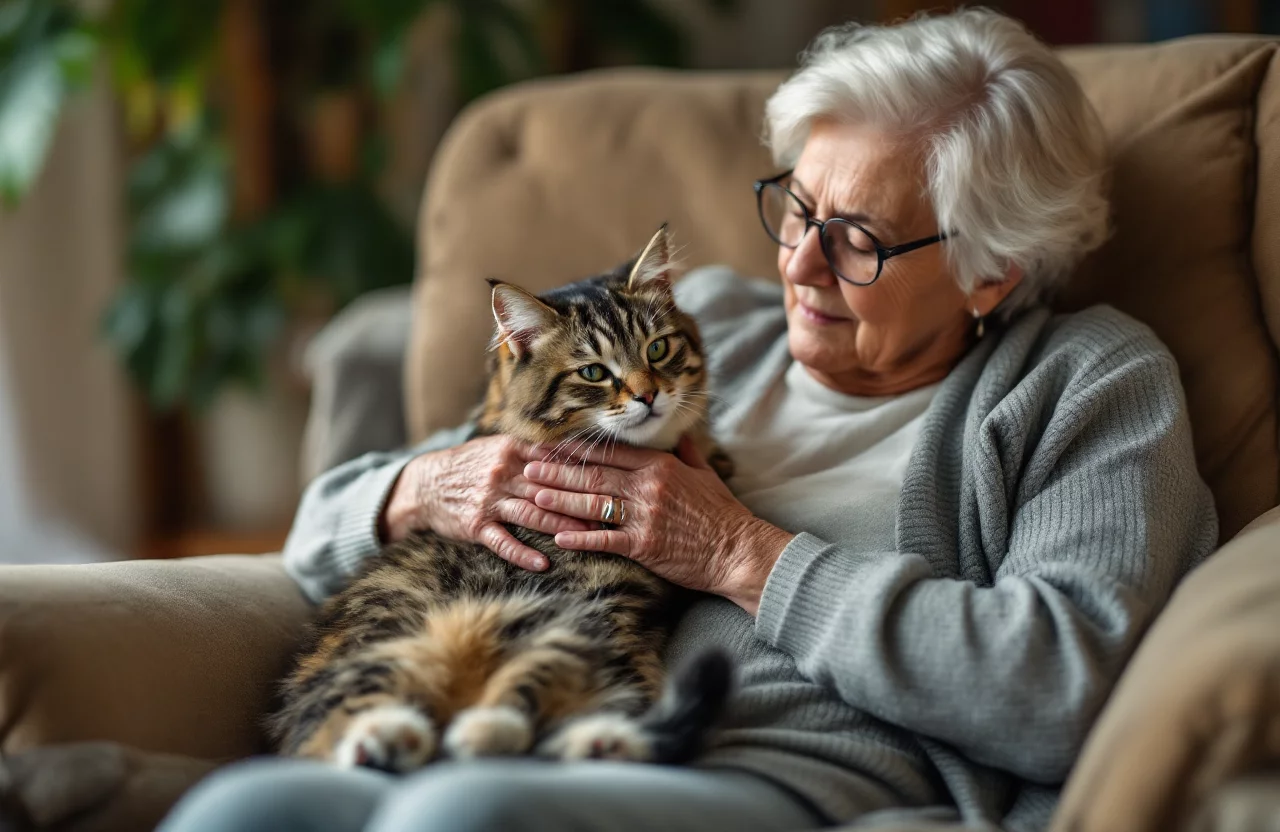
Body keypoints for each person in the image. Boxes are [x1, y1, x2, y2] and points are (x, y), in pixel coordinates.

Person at [159, 9, 1217, 832]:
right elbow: (321, 535)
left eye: (855, 240)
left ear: (989, 271)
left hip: (787, 774)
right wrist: (423, 484)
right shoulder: (701, 321)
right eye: (797, 208)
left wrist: (738, 553)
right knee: (245, 810)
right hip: (520, 705)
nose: (797, 264)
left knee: (465, 816)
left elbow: (1059, 685)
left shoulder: (1085, 382)